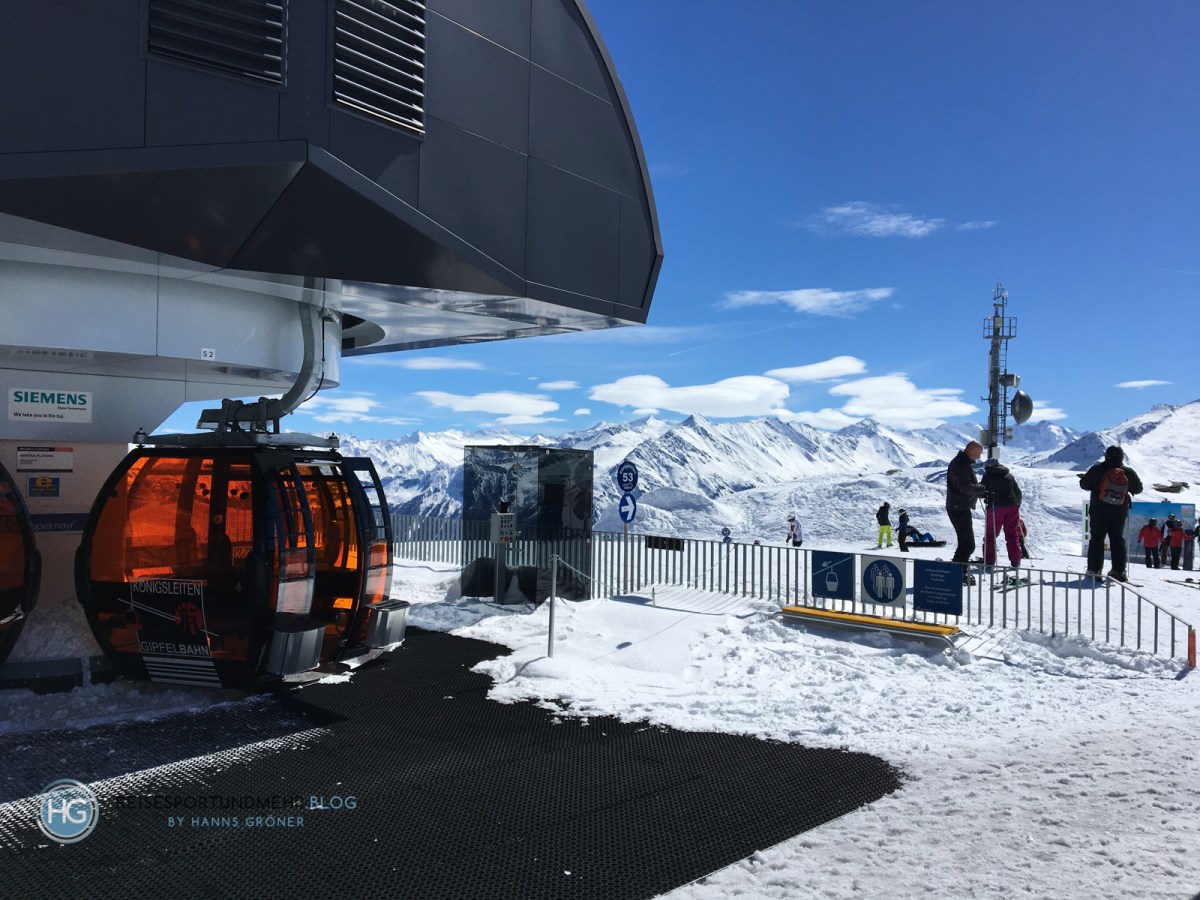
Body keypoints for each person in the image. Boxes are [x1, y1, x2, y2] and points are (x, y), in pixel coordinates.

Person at [1079, 445, 1143, 581]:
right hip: (1119, 512)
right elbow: (1138, 489)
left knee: (1097, 539)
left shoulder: (1097, 469)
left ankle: (1094, 570)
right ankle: (1119, 571)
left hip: (1099, 511)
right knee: (1117, 540)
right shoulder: (1128, 472)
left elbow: (1084, 484)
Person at [946, 441, 986, 583]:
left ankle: (958, 572)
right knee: (967, 544)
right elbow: (965, 487)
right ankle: (957, 574)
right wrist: (982, 489)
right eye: (979, 453)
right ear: (971, 450)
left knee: (965, 543)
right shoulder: (961, 464)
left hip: (958, 506)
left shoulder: (961, 462)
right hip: (958, 507)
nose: (979, 457)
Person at [981, 457, 1023, 569]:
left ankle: (989, 562)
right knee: (1012, 533)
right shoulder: (1009, 476)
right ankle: (1016, 561)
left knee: (991, 534)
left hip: (995, 507)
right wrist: (1016, 504)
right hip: (1012, 506)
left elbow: (981, 491)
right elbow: (1018, 492)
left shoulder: (987, 476)